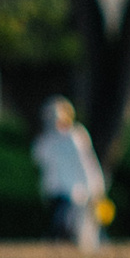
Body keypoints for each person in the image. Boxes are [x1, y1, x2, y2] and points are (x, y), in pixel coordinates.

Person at [31, 97, 107, 248]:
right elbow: (38, 157)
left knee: (74, 226)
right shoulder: (48, 139)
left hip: (74, 192)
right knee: (60, 224)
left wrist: (96, 188)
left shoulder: (75, 136)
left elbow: (86, 163)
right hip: (55, 190)